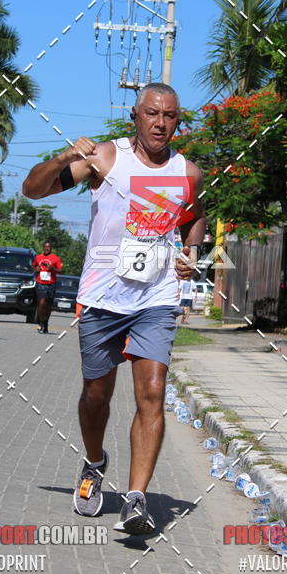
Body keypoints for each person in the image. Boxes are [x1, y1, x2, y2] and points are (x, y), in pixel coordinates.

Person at [22, 83, 206, 534]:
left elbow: (195, 216)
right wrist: (66, 158)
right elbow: (32, 190)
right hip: (103, 297)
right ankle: (93, 461)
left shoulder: (188, 171)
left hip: (157, 298)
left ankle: (136, 498)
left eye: (169, 116)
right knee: (97, 394)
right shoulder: (104, 158)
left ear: (177, 122)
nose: (160, 123)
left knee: (152, 392)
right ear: (135, 116)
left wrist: (192, 252)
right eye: (151, 114)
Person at [32, 242, 63, 334]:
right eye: (45, 247)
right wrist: (35, 269)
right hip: (40, 283)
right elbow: (33, 266)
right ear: (43, 248)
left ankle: (45, 323)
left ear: (51, 248)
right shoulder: (38, 257)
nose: (47, 248)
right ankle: (41, 322)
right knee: (41, 302)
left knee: (48, 306)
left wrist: (52, 268)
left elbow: (61, 270)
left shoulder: (56, 258)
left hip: (51, 284)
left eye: (49, 247)